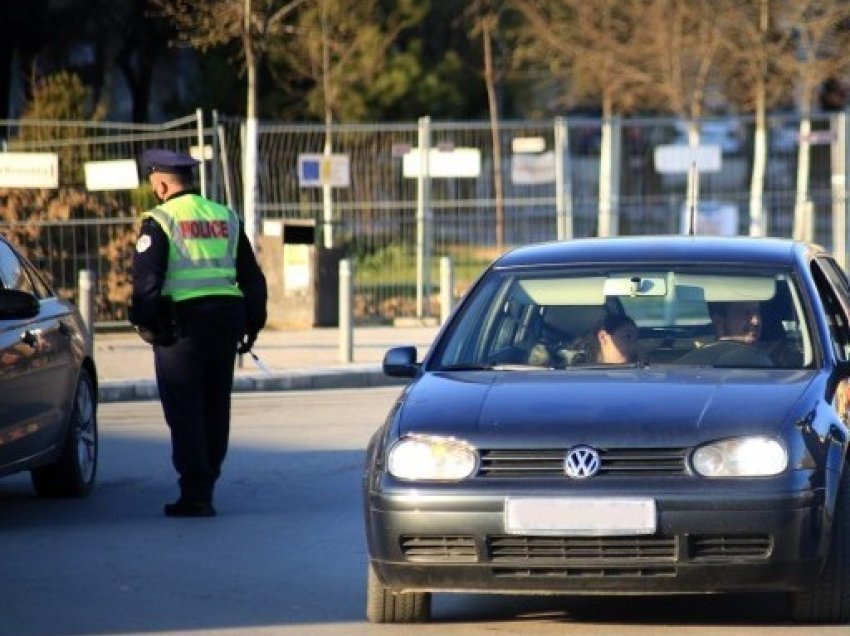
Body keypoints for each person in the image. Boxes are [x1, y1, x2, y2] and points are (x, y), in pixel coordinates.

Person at [129, 148, 267, 518]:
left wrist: (146, 324)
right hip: (224, 322)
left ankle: (195, 492)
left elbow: (146, 282)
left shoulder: (160, 220)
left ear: (160, 184)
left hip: (182, 327)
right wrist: (252, 325)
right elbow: (252, 278)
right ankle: (207, 481)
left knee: (185, 408)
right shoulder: (225, 217)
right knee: (214, 404)